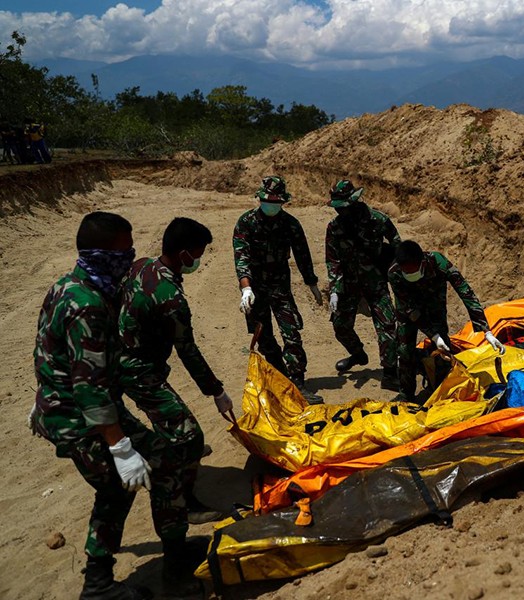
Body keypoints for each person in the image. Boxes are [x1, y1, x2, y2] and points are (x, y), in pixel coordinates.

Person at [30, 212, 204, 599]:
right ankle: (103, 584)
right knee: (122, 483)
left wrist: (43, 395)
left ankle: (173, 552)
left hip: (73, 405)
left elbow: (48, 349)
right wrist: (121, 447)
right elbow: (88, 384)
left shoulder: (67, 285)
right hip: (80, 416)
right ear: (102, 254)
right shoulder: (87, 304)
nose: (130, 259)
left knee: (158, 462)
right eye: (124, 252)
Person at [118, 217, 231, 527]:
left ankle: (173, 449)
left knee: (171, 426)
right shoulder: (170, 298)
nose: (199, 259)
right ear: (183, 254)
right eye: (198, 252)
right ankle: (184, 504)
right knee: (190, 437)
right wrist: (216, 391)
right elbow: (188, 351)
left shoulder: (142, 266)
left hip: (125, 357)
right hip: (138, 370)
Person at [233, 175, 324, 399]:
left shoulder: (291, 224)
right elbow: (241, 257)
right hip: (255, 287)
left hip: (280, 286)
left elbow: (303, 255)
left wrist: (311, 283)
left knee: (291, 332)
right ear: (260, 199)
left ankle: (298, 381)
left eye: (276, 203)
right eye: (268, 201)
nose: (271, 206)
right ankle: (281, 378)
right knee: (263, 336)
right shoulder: (246, 223)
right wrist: (246, 288)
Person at [387, 240, 505, 402]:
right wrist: (432, 335)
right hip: (408, 310)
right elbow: (410, 309)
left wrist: (486, 331)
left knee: (443, 348)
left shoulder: (438, 263)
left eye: (413, 270)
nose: (410, 274)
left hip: (434, 304)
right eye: (406, 271)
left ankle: (441, 387)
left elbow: (465, 292)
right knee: (404, 349)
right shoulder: (394, 273)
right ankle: (406, 393)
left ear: (421, 262)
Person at [325, 179, 401, 390]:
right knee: (340, 326)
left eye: (344, 207)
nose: (341, 212)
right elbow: (332, 260)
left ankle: (389, 372)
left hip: (375, 282)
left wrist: (395, 275)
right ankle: (357, 354)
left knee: (387, 327)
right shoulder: (334, 227)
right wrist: (335, 290)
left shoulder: (377, 220)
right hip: (348, 284)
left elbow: (397, 247)